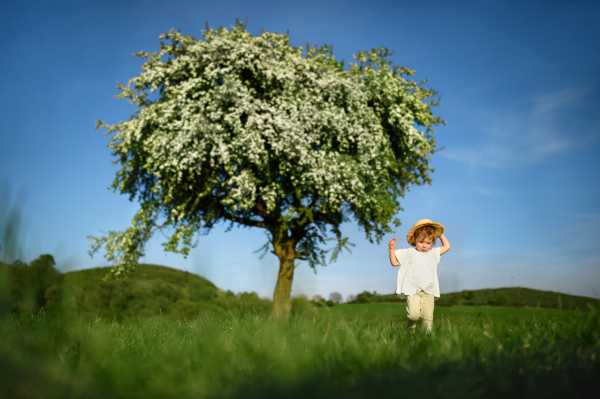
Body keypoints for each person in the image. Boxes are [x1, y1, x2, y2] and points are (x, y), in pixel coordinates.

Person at [388, 219, 451, 332]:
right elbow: (394, 263)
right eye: (421, 242)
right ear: (414, 239)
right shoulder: (409, 252)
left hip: (429, 290)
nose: (424, 245)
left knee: (428, 318)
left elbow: (447, 246)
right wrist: (392, 249)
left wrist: (440, 234)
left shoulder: (433, 253)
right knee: (414, 316)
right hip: (412, 290)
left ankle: (427, 340)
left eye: (428, 243)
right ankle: (411, 330)